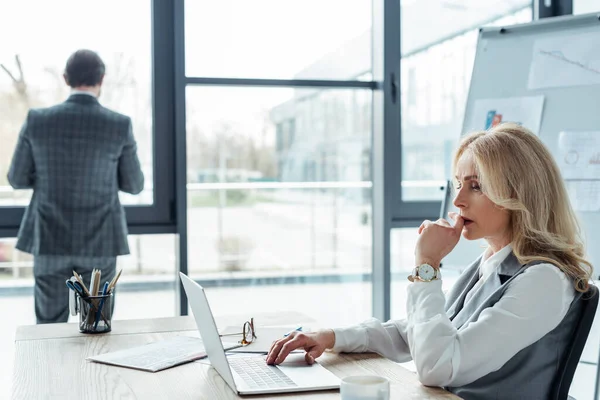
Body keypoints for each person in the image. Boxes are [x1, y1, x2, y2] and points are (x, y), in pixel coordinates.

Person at [266, 123, 593, 399]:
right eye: (459, 183)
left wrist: (427, 264)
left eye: (476, 186)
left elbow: (438, 366)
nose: (458, 200)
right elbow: (420, 333)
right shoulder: (491, 263)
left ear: (519, 195)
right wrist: (331, 337)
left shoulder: (543, 281)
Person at [7, 49, 144, 324]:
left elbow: (17, 178)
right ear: (101, 79)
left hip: (49, 238)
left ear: (65, 78)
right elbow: (134, 184)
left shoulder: (38, 120)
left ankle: (49, 370)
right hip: (100, 240)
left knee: (48, 330)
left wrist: (46, 178)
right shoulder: (119, 125)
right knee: (96, 327)